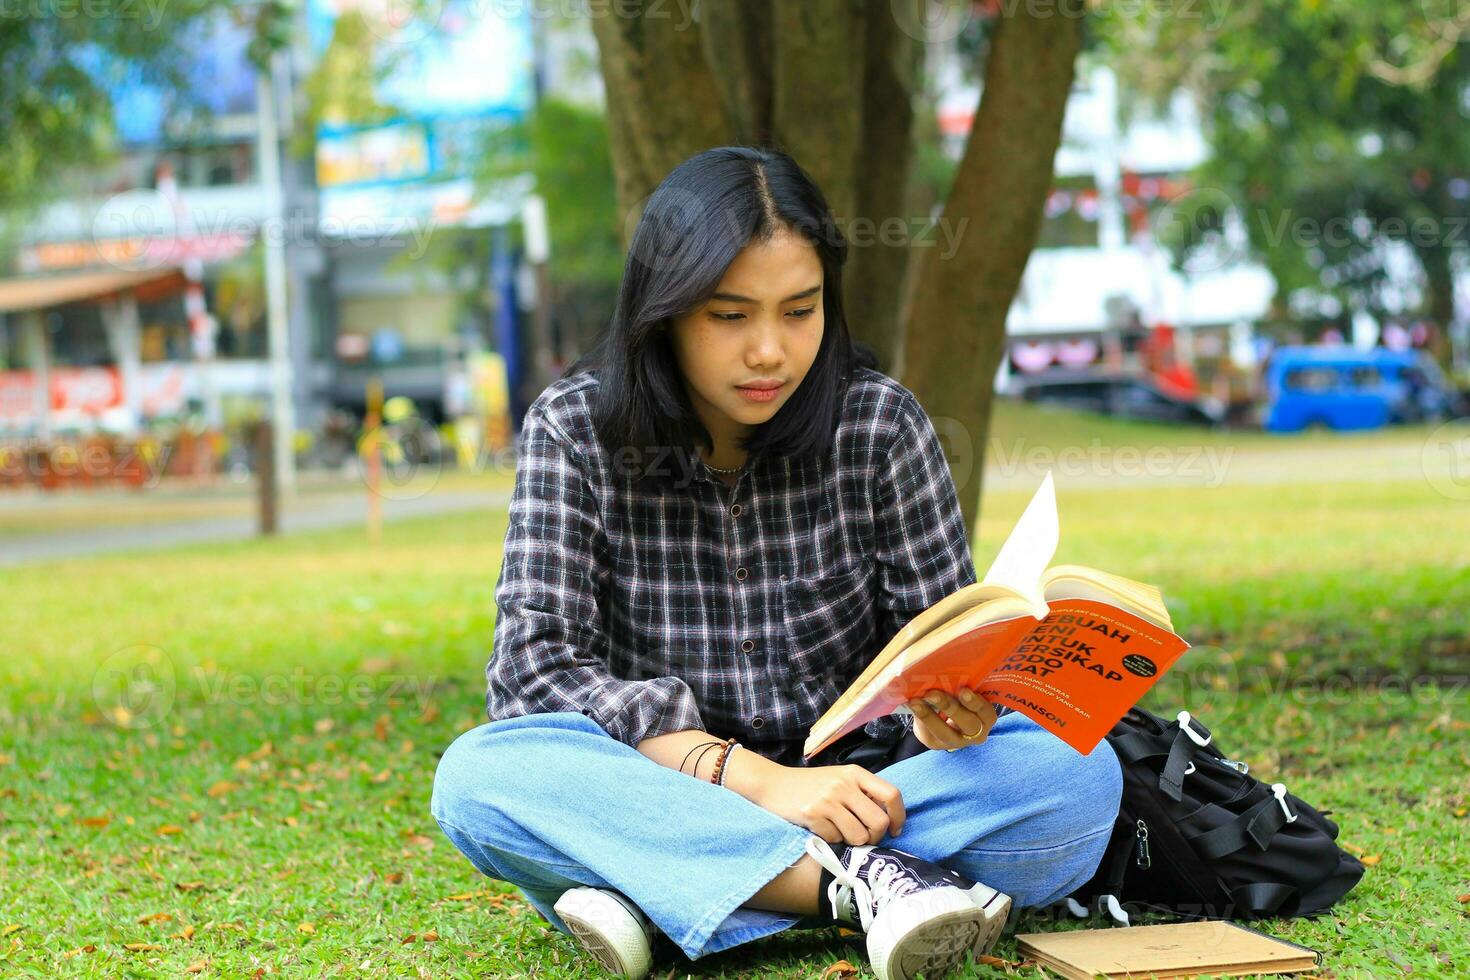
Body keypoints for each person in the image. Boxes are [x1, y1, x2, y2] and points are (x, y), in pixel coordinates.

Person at [430, 146, 1122, 980]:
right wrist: (753, 781)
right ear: (665, 311)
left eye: (800, 310)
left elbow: (931, 642)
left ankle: (667, 896)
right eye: (730, 316)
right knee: (479, 779)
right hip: (667, 788)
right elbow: (532, 677)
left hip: (875, 798)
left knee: (1076, 773)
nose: (770, 351)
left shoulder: (878, 427)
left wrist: (947, 710)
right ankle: (865, 892)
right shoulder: (575, 431)